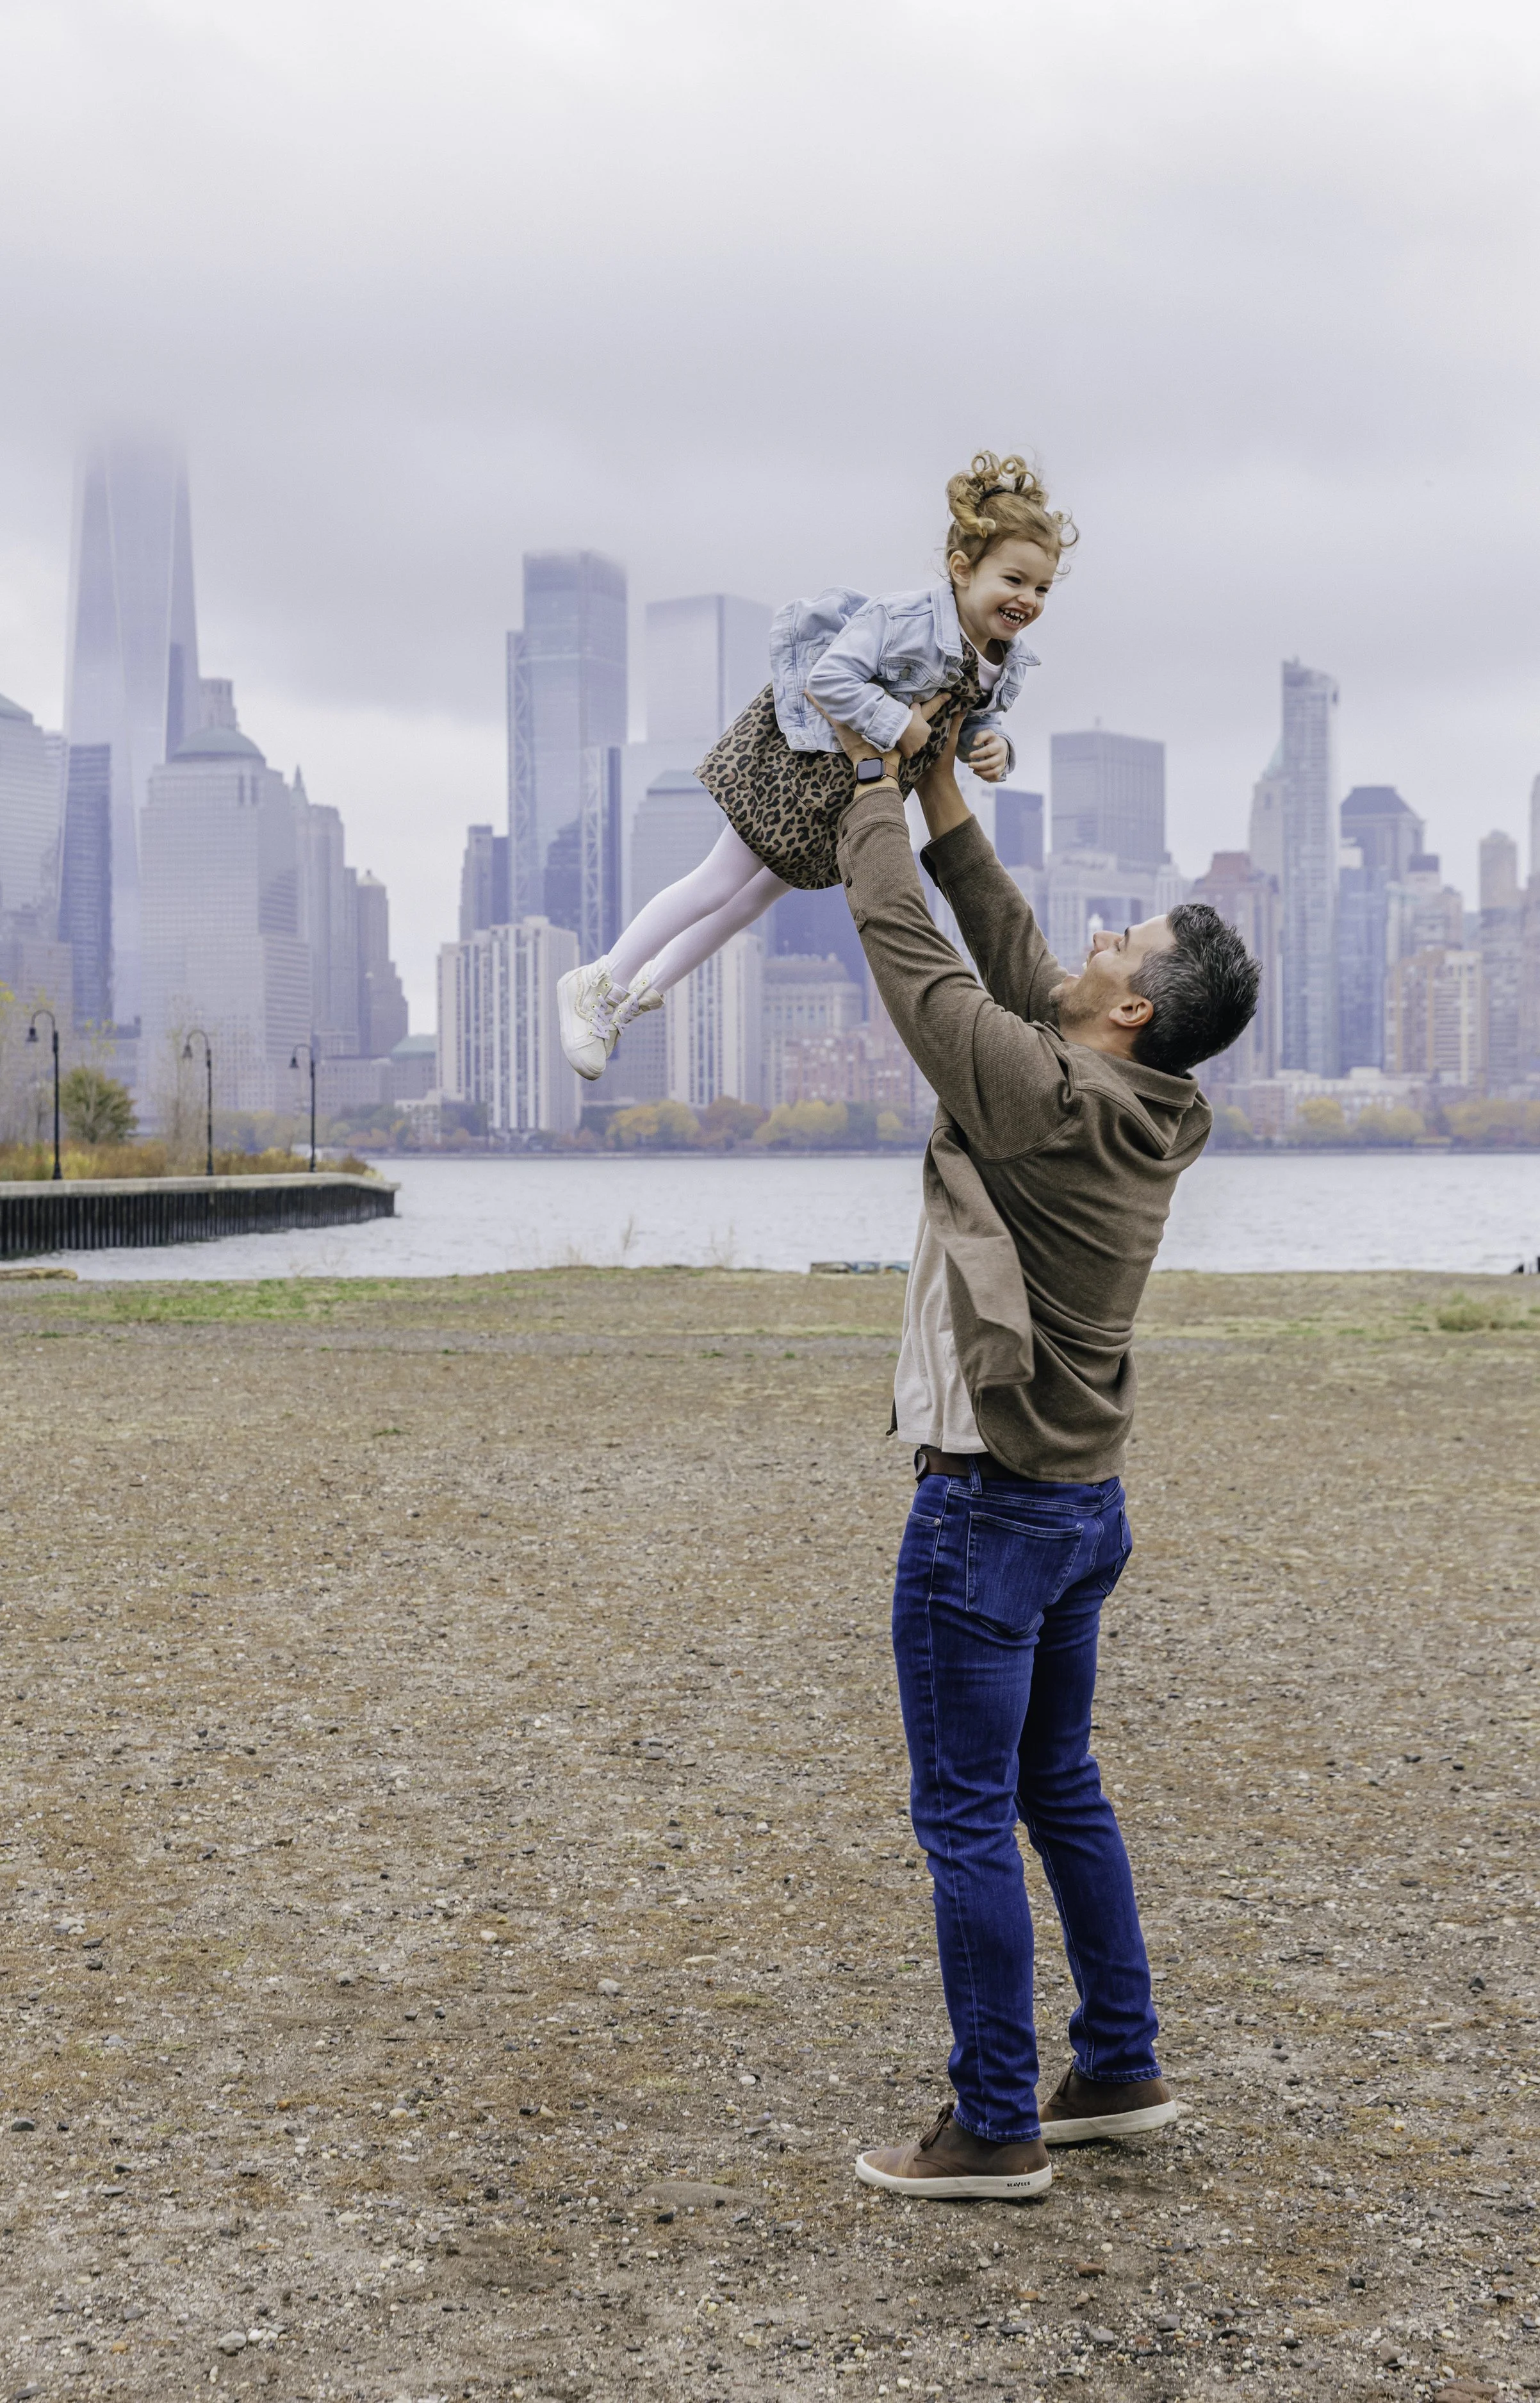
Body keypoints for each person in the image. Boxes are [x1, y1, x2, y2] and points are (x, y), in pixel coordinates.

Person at [824, 706, 1260, 2202]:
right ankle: (1119, 2061)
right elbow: (1012, 960)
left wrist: (864, 793)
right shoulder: (1150, 1098)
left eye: (1118, 941)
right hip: (1084, 1504)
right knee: (1056, 1781)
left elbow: (920, 968)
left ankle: (996, 2121)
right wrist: (942, 779)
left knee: (965, 1812)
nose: (1092, 937)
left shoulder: (1052, 1091)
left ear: (1126, 1008)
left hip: (991, 1511)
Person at [555, 451, 1071, 1078]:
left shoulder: (1004, 658)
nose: (1028, 599)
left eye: (1041, 588)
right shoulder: (905, 620)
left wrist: (994, 750)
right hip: (801, 765)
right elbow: (829, 678)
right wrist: (897, 723)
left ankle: (627, 1003)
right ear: (962, 570)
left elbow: (974, 720)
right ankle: (598, 976)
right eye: (1013, 580)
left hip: (855, 788)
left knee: (750, 903)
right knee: (719, 881)